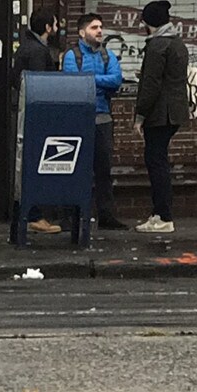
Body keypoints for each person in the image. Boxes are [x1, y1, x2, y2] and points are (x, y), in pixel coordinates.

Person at [61, 14, 126, 230]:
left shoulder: (108, 55)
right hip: (78, 120)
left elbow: (116, 80)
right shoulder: (72, 55)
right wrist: (99, 82)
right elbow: (72, 83)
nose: (99, 31)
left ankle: (106, 216)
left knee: (104, 170)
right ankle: (76, 216)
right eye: (94, 27)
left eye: (100, 27)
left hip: (103, 119)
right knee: (77, 169)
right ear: (82, 33)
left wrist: (89, 79)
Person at [133, 0, 191, 235]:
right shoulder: (177, 44)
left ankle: (162, 216)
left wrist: (139, 116)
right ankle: (161, 214)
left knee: (156, 162)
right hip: (174, 111)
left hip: (160, 114)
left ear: (148, 23)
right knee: (160, 160)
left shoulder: (157, 46)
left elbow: (152, 85)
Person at [16, 10, 64, 234]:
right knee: (35, 164)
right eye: (54, 24)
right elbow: (39, 85)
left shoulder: (26, 46)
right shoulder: (37, 51)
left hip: (26, 114)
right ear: (47, 28)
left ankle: (30, 213)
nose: (56, 28)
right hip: (35, 118)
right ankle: (34, 216)